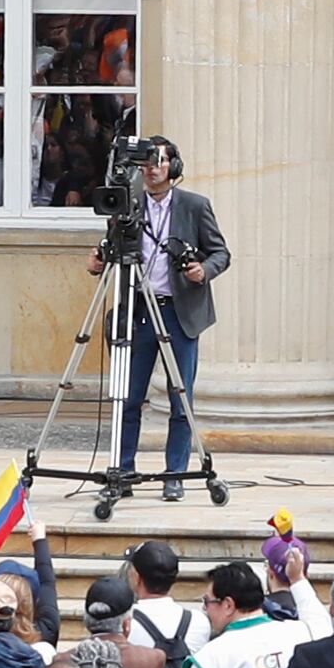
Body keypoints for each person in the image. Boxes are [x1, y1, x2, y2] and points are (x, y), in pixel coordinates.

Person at [97, 136, 228, 505]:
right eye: (146, 163)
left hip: (178, 311)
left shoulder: (194, 206)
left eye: (159, 161)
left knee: (179, 397)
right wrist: (97, 261)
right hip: (137, 310)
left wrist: (204, 270)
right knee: (130, 396)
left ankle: (176, 474)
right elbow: (112, 248)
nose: (152, 168)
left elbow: (221, 252)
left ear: (174, 167)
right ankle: (122, 470)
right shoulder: (128, 205)